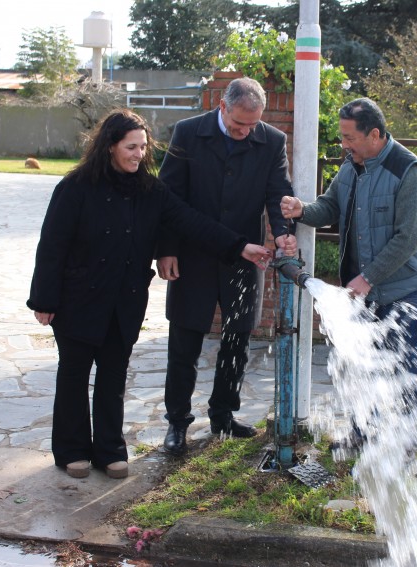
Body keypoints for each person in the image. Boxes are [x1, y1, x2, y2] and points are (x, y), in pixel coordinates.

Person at [27, 108, 273, 479]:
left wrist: (241, 247)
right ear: (110, 147)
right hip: (78, 300)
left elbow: (194, 222)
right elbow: (52, 247)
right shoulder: (75, 188)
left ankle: (109, 451)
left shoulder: (151, 190)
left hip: (124, 303)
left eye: (143, 147)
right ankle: (72, 450)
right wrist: (44, 300)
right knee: (74, 376)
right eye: (131, 147)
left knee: (113, 377)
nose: (138, 155)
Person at [156, 77, 296, 457]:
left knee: (237, 340)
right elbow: (168, 198)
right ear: (222, 105)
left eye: (252, 125)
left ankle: (223, 415)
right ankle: (177, 423)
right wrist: (166, 250)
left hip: (245, 256)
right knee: (184, 344)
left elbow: (277, 193)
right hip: (191, 255)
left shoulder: (272, 140)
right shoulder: (187, 132)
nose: (245, 132)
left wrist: (283, 233)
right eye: (238, 125)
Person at [280, 96, 417, 409]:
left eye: (349, 138)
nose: (344, 144)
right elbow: (330, 206)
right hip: (361, 291)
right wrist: (302, 210)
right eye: (342, 137)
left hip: (400, 291)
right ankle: (361, 432)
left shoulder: (409, 171)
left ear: (375, 135)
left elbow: (409, 238)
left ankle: (405, 442)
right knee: (360, 366)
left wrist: (368, 277)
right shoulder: (351, 167)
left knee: (400, 369)